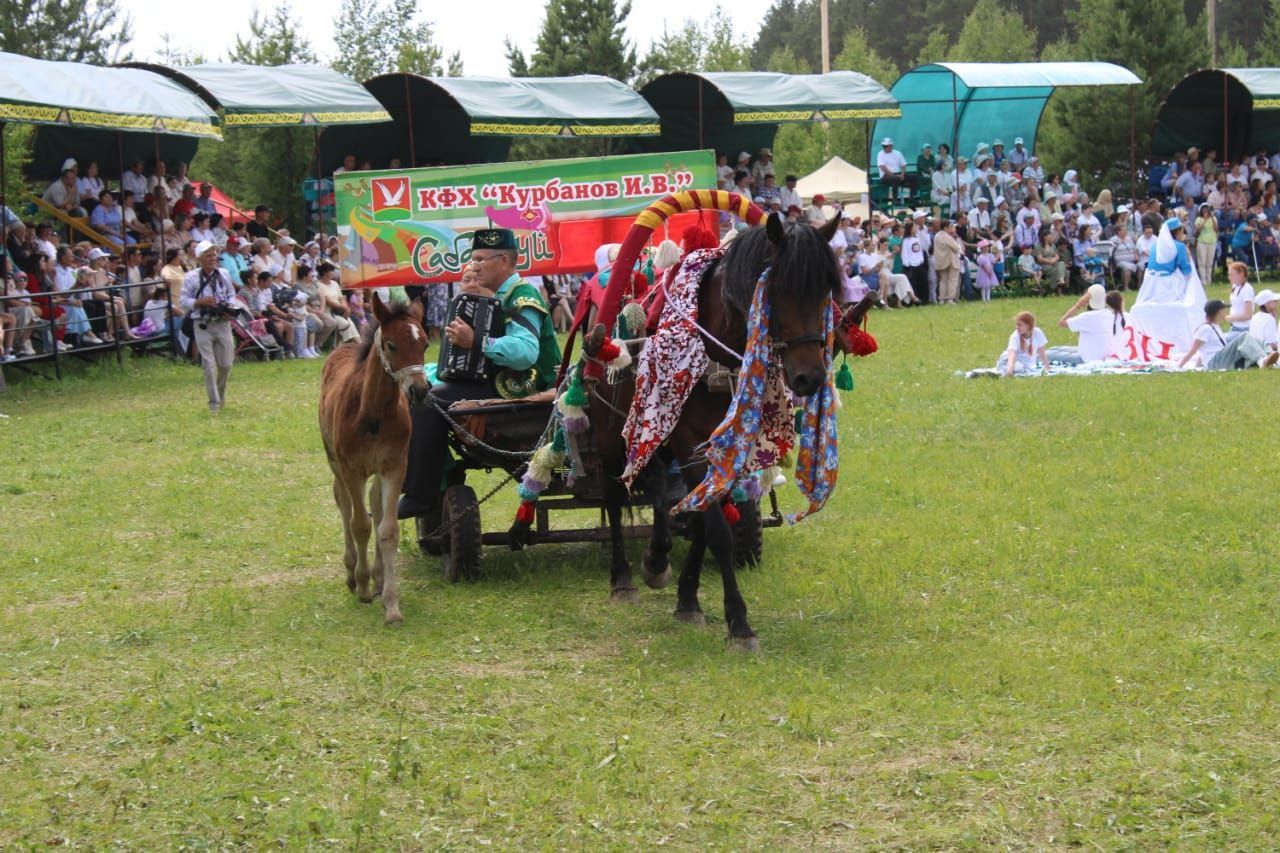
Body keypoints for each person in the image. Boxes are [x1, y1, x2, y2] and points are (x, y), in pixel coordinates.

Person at [398, 228, 563, 520]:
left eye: (480, 259)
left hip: (524, 385)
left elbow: (526, 353)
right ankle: (441, 476)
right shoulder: (493, 295)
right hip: (496, 382)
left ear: (504, 261)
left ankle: (422, 494)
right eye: (472, 259)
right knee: (423, 391)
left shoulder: (522, 295)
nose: (473, 266)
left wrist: (476, 341)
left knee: (429, 402)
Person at [1131, 217, 1207, 356]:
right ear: (1177, 232)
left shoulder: (1156, 246)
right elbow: (1186, 269)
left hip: (1150, 284)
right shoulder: (1179, 246)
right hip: (1168, 285)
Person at [180, 241, 240, 413]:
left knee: (226, 364)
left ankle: (220, 395)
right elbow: (183, 300)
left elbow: (230, 294)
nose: (213, 259)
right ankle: (213, 403)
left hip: (222, 323)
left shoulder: (223, 274)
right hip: (202, 323)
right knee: (208, 363)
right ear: (200, 258)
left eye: (214, 255)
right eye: (208, 255)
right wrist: (199, 302)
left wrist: (228, 307)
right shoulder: (191, 277)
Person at [1179, 299, 1276, 369]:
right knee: (1244, 336)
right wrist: (1180, 366)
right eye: (1224, 310)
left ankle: (1269, 357)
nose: (1226, 312)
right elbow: (1193, 350)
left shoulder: (1216, 327)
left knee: (1257, 340)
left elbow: (1204, 351)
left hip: (1221, 360)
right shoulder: (1205, 329)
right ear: (1219, 312)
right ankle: (1262, 361)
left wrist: (1198, 365)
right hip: (1215, 362)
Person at [1050, 284, 1115, 364]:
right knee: (1055, 348)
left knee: (1046, 354)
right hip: (1103, 356)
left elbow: (1061, 323)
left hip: (1086, 358)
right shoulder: (1109, 313)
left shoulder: (1087, 316)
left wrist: (1077, 305)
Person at [998, 311, 1049, 377]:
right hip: (1008, 361)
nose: (1017, 327)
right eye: (1016, 325)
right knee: (1018, 367)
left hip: (1027, 366)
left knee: (1021, 368)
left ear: (1028, 326)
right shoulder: (1015, 336)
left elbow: (1042, 352)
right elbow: (1012, 354)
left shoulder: (1037, 332)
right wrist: (1010, 371)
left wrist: (1048, 368)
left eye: (1020, 325)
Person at [932, 220, 962, 304]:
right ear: (945, 228)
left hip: (941, 261)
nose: (953, 228)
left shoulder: (937, 235)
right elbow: (956, 248)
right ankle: (950, 298)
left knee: (943, 280)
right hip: (951, 260)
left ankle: (942, 298)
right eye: (951, 226)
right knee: (952, 279)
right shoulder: (946, 236)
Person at [1225, 261, 1255, 336]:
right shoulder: (1235, 286)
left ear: (1241, 274)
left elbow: (1248, 315)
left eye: (1231, 275)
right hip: (1234, 327)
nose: (1229, 278)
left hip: (1244, 329)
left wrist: (1230, 318)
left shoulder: (1247, 289)